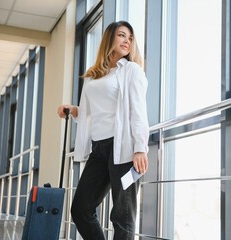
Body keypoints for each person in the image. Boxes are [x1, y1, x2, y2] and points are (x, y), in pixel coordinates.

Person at [57, 21, 149, 240]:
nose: (127, 41)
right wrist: (74, 110)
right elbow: (92, 113)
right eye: (121, 35)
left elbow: (138, 111)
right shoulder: (93, 75)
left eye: (130, 38)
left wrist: (140, 147)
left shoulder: (131, 71)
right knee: (80, 209)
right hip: (99, 149)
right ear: (109, 39)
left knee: (122, 217)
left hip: (123, 148)